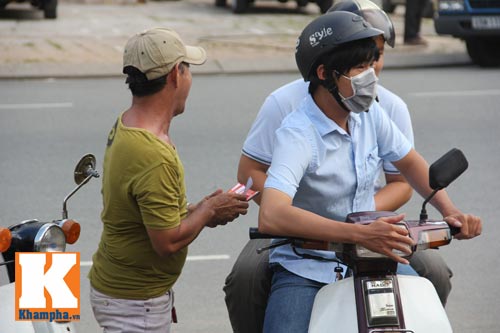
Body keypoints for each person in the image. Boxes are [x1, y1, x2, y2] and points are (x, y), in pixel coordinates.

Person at [223, 1, 451, 332]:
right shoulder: (297, 131)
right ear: (324, 73)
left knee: (426, 307)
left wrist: (452, 211)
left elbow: (410, 165)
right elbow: (271, 213)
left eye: (373, 63)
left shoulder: (372, 113)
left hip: (372, 256)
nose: (370, 77)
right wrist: (355, 232)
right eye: (359, 68)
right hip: (308, 264)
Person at [87, 27, 249, 333]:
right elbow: (166, 241)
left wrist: (199, 210)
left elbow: (145, 209)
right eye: (188, 70)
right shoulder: (152, 153)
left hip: (123, 292)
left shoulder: (128, 123)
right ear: (176, 74)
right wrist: (209, 211)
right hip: (134, 304)